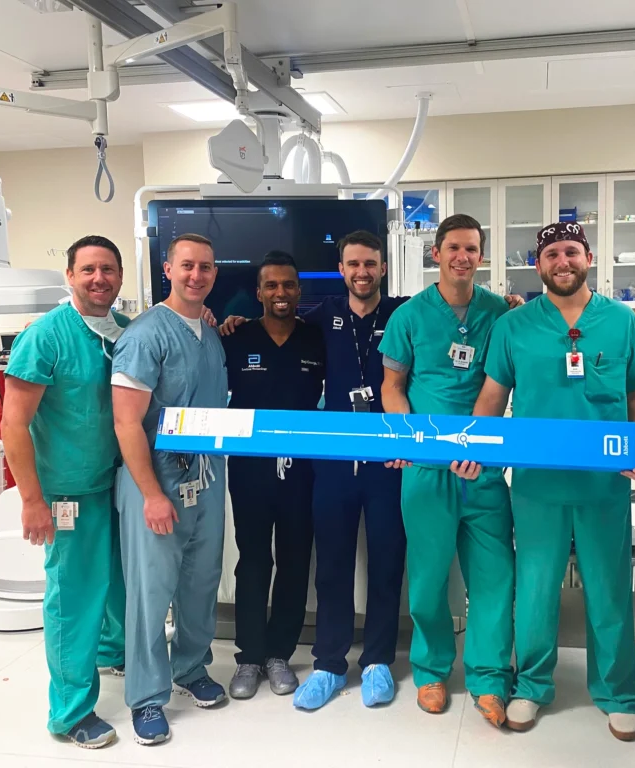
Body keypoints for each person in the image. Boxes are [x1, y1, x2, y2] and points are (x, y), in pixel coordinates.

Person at [453, 221, 635, 740]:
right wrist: (474, 446)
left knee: (609, 588)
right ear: (538, 264)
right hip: (537, 484)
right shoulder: (514, 327)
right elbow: (493, 396)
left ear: (588, 257)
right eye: (551, 254)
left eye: (571, 251)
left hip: (603, 484)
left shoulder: (621, 321)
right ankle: (532, 685)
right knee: (538, 589)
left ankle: (617, 692)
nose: (561, 261)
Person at [378, 213, 516, 729]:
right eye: (453, 247)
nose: (462, 257)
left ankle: (487, 677)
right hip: (428, 467)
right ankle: (432, 669)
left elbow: (502, 383)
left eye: (472, 249)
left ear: (481, 256)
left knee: (494, 579)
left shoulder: (500, 313)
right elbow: (392, 386)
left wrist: (477, 444)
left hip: (481, 466)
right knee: (429, 581)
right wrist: (410, 440)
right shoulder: (410, 316)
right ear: (435, 253)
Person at [2, 235, 129, 749]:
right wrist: (32, 500)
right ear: (70, 277)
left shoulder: (121, 332)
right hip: (67, 491)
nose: (99, 279)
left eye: (108, 270)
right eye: (88, 270)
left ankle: (111, 652)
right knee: (73, 596)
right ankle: (71, 711)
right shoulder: (45, 337)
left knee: (117, 582)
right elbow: (14, 424)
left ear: (120, 277)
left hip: (115, 481)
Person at [111, 233, 229, 746]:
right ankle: (146, 696)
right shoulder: (144, 335)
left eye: (205, 267)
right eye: (187, 266)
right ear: (168, 269)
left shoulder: (210, 332)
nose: (196, 275)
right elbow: (126, 423)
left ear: (214, 274)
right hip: (154, 485)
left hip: (204, 480)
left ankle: (191, 667)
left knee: (201, 583)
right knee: (150, 593)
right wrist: (152, 494)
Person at [291, 230, 409, 710]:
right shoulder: (321, 316)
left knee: (386, 561)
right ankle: (329, 665)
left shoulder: (404, 313)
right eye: (353, 264)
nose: (362, 272)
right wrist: (232, 320)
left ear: (383, 267)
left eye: (371, 264)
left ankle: (378, 661)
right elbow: (271, 324)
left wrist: (505, 301)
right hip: (335, 461)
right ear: (341, 269)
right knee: (334, 564)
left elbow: (456, 308)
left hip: (388, 461)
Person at [220, 251, 325, 701]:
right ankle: (249, 656)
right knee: (254, 560)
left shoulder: (315, 339)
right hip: (249, 469)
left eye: (288, 285)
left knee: (296, 559)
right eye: (271, 286)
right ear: (259, 292)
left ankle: (279, 653)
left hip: (303, 469)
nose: (280, 293)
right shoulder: (236, 337)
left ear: (299, 291)